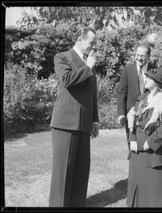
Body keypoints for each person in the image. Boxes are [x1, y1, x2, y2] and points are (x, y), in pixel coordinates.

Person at [49, 27, 100, 207]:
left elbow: (92, 93)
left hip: (84, 124)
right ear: (80, 39)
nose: (94, 47)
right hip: (65, 123)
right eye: (91, 43)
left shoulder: (88, 61)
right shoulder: (62, 57)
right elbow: (67, 80)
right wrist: (88, 67)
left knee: (81, 171)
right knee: (63, 172)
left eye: (95, 43)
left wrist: (95, 120)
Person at [126, 68, 162, 207]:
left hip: (153, 151)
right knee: (137, 184)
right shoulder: (142, 98)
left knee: (153, 191)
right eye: (146, 77)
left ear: (158, 83)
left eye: (149, 78)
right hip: (137, 151)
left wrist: (150, 143)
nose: (145, 80)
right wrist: (132, 139)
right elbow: (132, 120)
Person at [117, 44, 157, 158]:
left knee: (146, 145)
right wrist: (121, 114)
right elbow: (121, 94)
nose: (139, 58)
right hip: (131, 115)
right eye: (137, 55)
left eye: (142, 56)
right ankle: (133, 173)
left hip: (149, 115)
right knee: (132, 145)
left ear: (149, 57)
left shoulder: (155, 70)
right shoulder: (127, 70)